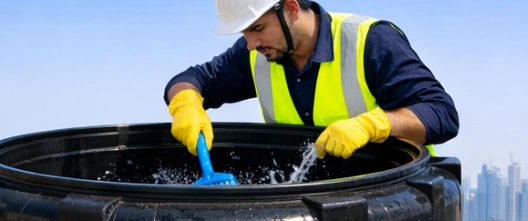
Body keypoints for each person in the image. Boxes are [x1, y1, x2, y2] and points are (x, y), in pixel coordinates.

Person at [164, 0, 458, 159]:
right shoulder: (257, 53)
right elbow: (194, 78)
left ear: (290, 7)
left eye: (258, 28)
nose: (251, 43)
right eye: (244, 34)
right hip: (309, 198)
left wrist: (374, 125)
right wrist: (184, 103)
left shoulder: (370, 41)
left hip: (393, 197)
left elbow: (442, 114)